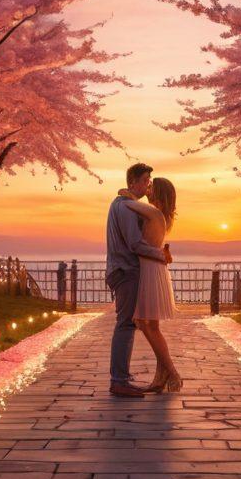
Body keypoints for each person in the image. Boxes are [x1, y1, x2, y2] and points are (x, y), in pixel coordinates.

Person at [105, 163, 170, 397]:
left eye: (149, 181)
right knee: (125, 324)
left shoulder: (126, 204)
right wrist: (160, 255)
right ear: (132, 181)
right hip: (125, 270)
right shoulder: (125, 207)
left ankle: (121, 376)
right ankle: (119, 381)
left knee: (128, 323)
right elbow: (134, 244)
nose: (148, 184)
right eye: (144, 180)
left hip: (122, 269)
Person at [119, 176, 182, 393]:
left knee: (146, 323)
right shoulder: (158, 214)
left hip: (150, 269)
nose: (149, 189)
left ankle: (172, 371)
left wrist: (128, 192)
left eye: (152, 187)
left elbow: (127, 203)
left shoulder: (153, 213)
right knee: (149, 324)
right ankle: (161, 374)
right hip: (152, 268)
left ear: (161, 195)